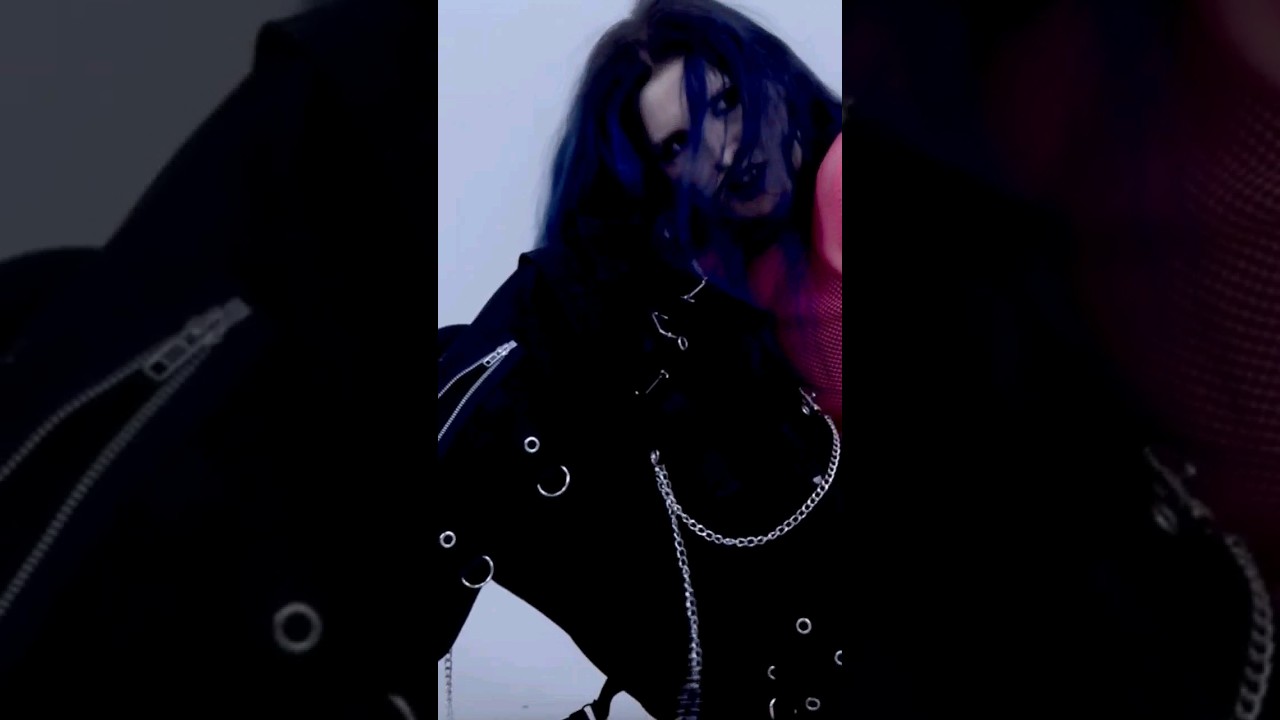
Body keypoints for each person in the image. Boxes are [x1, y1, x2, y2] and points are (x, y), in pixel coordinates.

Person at [435, 1, 845, 716]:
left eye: (728, 101)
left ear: (775, 81)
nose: (724, 149)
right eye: (679, 144)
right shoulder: (741, 273)